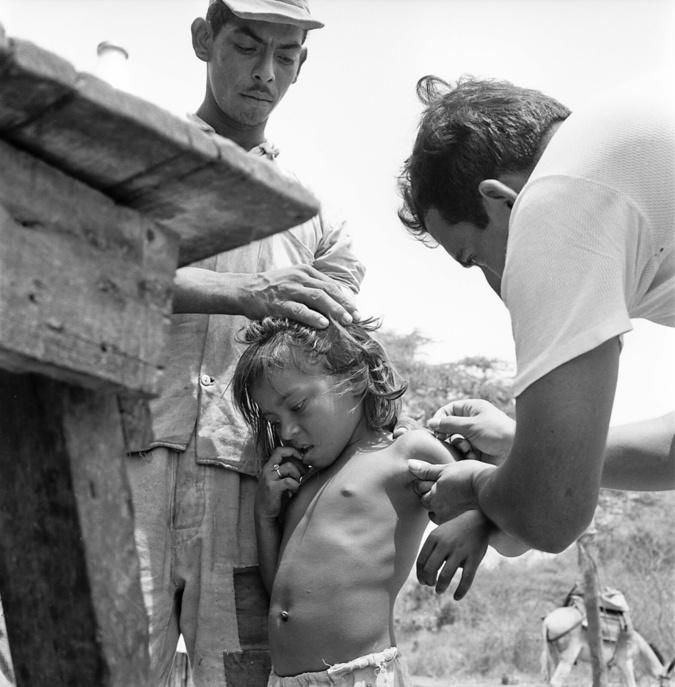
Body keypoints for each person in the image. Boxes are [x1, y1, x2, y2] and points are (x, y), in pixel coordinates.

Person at [123, 2, 365, 685]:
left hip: (246, 488)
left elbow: (332, 366)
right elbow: (86, 266)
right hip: (125, 462)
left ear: (301, 65)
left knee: (241, 675)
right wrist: (239, 292)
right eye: (245, 46)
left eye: (284, 56)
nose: (264, 72)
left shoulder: (318, 215)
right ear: (204, 39)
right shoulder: (133, 167)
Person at [397, 72, 675, 556]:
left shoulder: (555, 199)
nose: (495, 285)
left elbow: (551, 513)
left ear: (501, 202)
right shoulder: (629, 151)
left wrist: (478, 484)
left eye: (475, 257)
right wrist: (520, 447)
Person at [231, 316, 527, 685]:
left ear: (354, 381)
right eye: (274, 421)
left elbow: (509, 519)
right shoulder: (305, 484)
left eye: (299, 406)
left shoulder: (407, 451)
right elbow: (282, 596)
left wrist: (477, 522)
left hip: (359, 675)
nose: (287, 431)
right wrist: (264, 517)